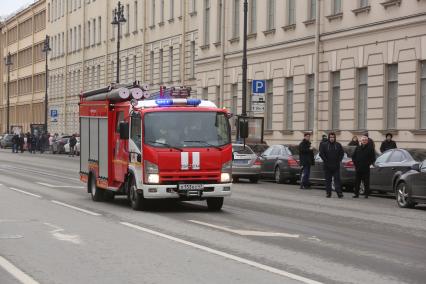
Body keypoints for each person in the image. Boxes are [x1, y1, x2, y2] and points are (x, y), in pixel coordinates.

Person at [319, 132, 344, 198]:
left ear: (334, 138)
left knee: (337, 180)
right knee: (328, 180)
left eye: (333, 137)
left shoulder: (338, 145)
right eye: (330, 137)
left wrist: (339, 160)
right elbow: (321, 154)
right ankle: (328, 193)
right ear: (329, 138)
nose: (332, 138)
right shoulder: (324, 145)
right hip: (327, 166)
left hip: (336, 166)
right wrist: (326, 161)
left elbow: (341, 153)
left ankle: (339, 193)